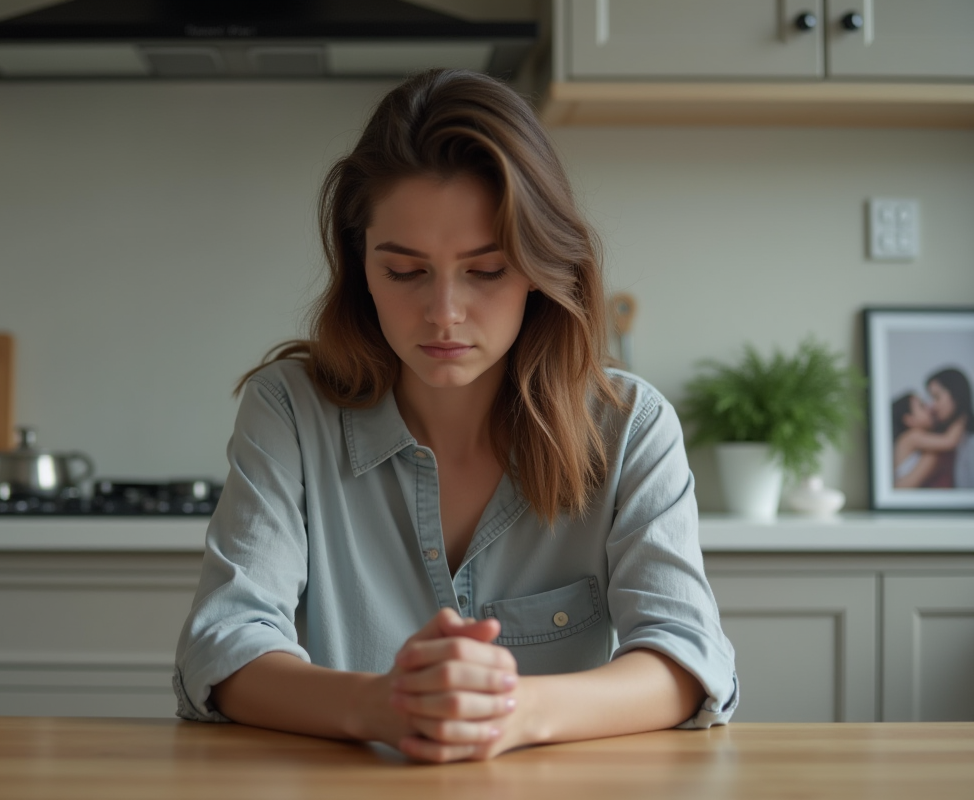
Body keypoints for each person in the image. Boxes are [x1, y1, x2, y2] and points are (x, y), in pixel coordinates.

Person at [174, 68, 737, 763]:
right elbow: (224, 646)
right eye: (405, 272)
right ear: (359, 266)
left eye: (487, 269)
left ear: (537, 267)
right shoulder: (289, 409)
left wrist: (515, 712)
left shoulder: (631, 428)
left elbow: (687, 658)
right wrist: (377, 706)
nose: (443, 312)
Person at [890, 392, 963, 489]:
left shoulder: (917, 438)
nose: (929, 408)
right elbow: (950, 441)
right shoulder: (912, 436)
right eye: (922, 406)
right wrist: (962, 415)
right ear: (909, 420)